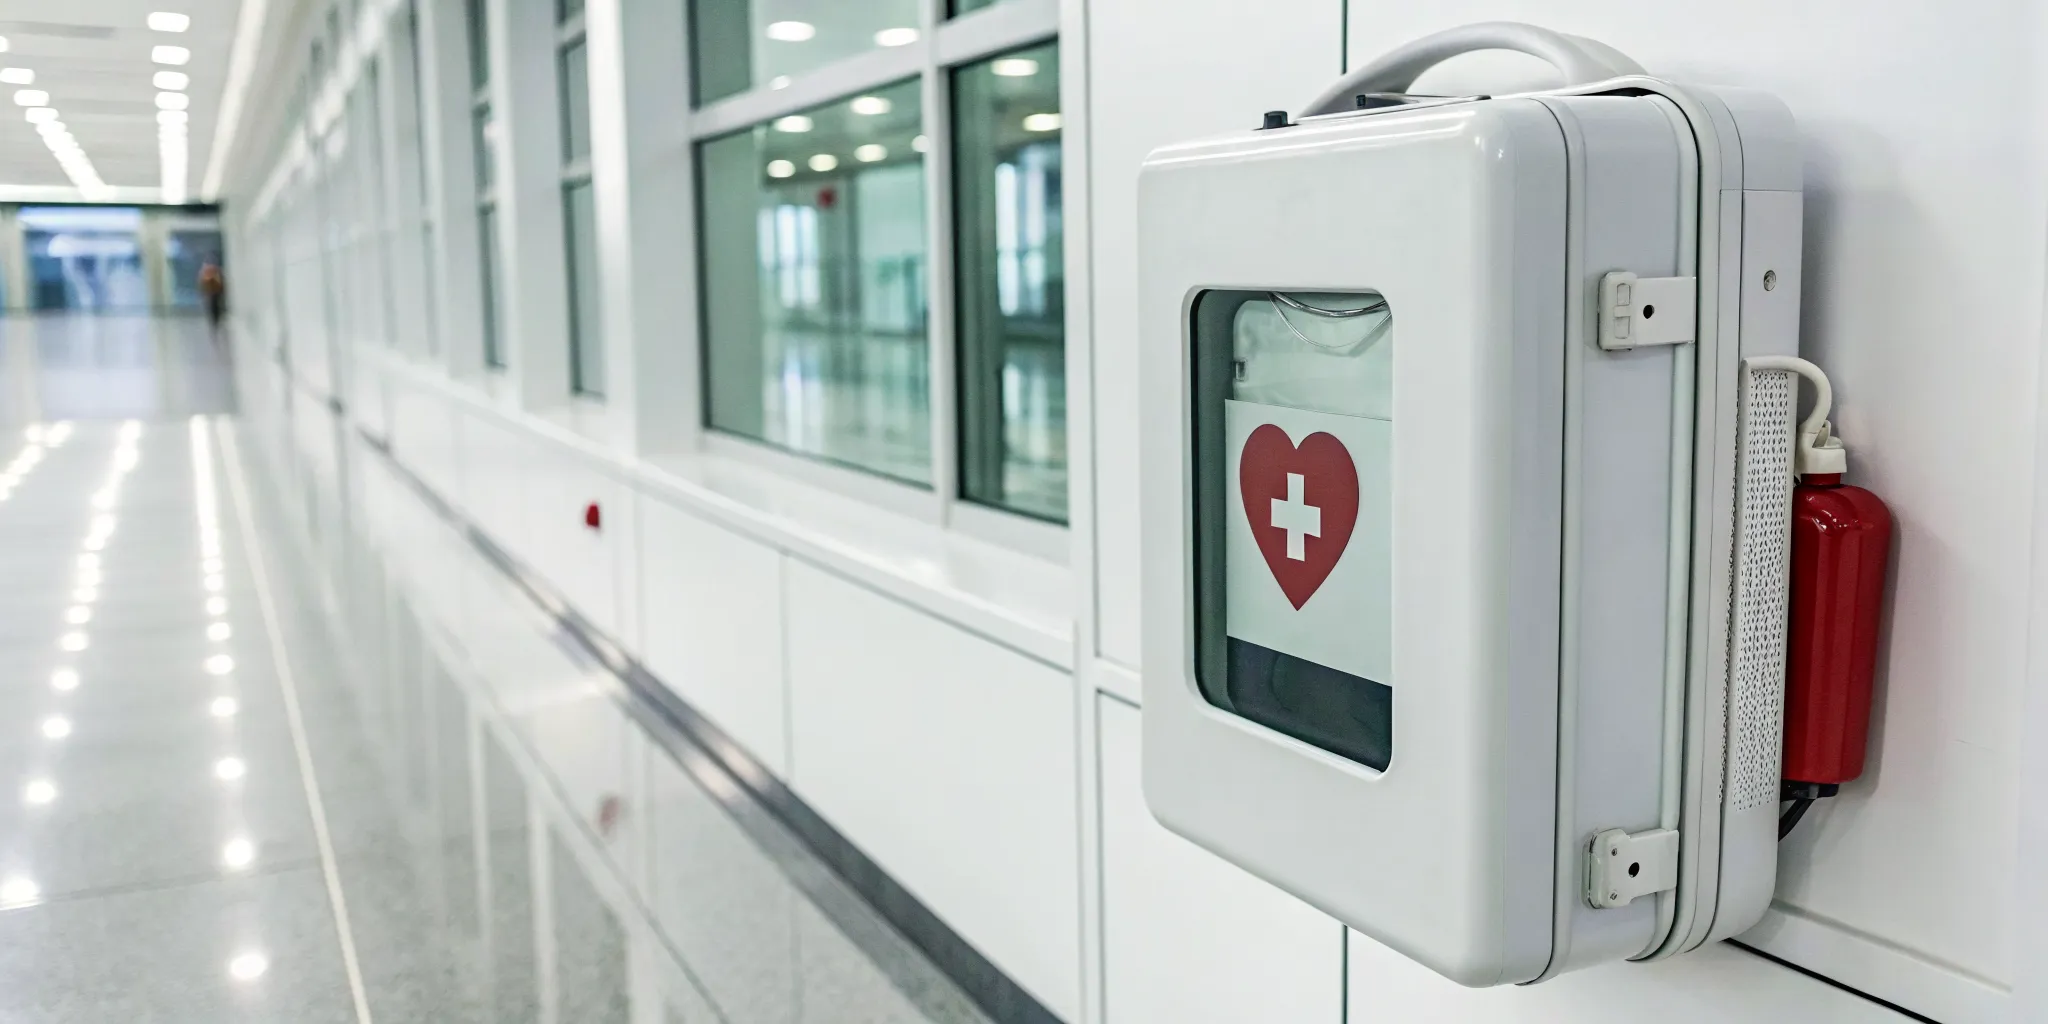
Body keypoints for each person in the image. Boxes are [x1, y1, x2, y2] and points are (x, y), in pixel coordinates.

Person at [198, 262, 226, 335]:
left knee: (215, 308)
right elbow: (203, 285)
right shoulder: (208, 275)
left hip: (215, 294)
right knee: (213, 309)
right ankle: (215, 321)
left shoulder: (214, 274)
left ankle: (217, 321)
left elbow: (219, 284)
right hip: (212, 294)